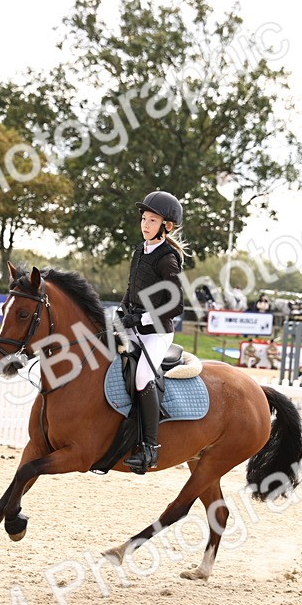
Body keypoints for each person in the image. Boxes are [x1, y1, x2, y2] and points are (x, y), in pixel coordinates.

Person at [117, 190, 187, 474]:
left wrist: (141, 317)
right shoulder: (139, 250)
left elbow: (177, 304)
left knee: (143, 376)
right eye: (144, 219)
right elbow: (131, 288)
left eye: (152, 220)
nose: (145, 225)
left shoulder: (167, 259)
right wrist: (122, 312)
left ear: (166, 226)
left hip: (157, 332)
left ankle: (151, 449)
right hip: (134, 325)